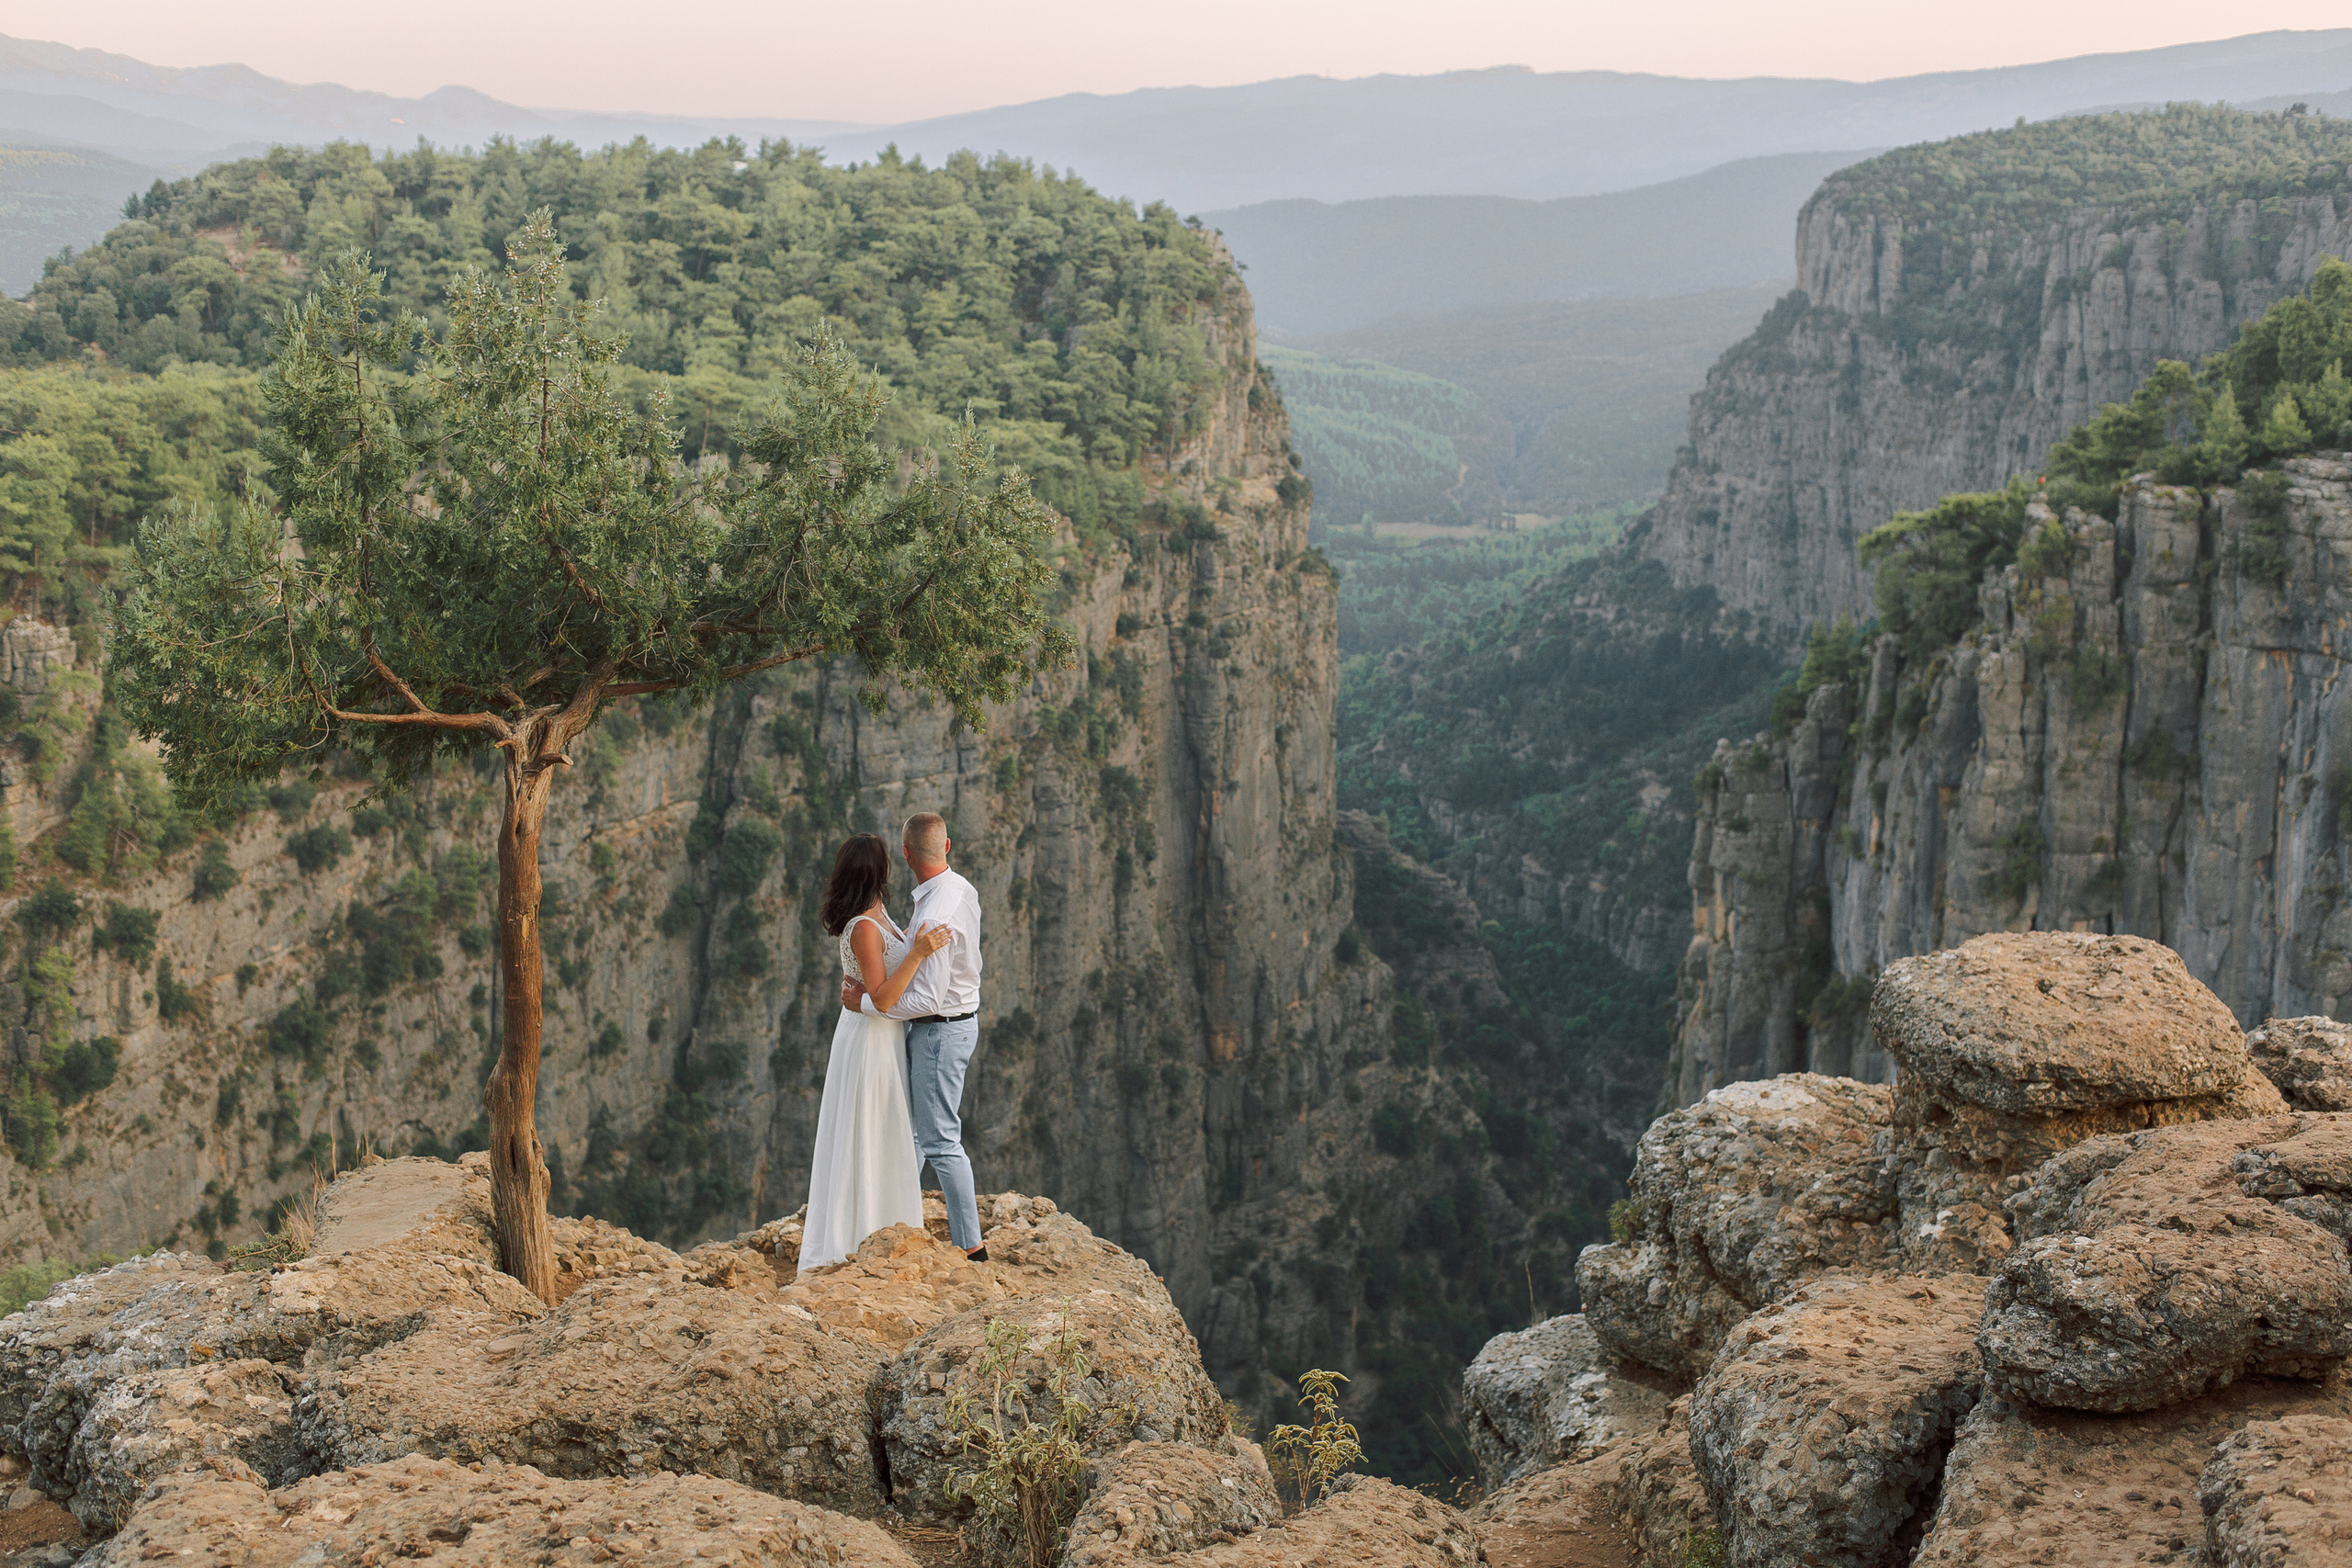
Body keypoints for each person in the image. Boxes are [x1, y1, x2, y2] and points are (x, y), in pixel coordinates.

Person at [800, 833, 953, 1269]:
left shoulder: (879, 912)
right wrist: (919, 952)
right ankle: (859, 1233)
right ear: (877, 870)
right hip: (870, 1039)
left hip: (884, 1037)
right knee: (868, 1128)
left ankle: (884, 1222)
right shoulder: (863, 927)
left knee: (886, 1127)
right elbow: (882, 998)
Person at [841, 811, 987, 1259]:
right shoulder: (956, 889)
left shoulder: (933, 914)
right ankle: (885, 1216)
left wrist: (865, 1002)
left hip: (938, 1032)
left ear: (906, 855)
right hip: (945, 1028)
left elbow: (926, 999)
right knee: (918, 1136)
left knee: (939, 1140)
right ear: (946, 846)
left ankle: (972, 1248)